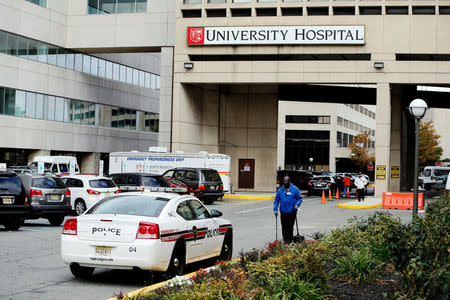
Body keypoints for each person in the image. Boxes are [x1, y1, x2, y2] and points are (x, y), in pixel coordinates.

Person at [274, 176, 302, 243]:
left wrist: (297, 205)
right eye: (284, 180)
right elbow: (276, 200)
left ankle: (289, 241)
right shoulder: (280, 190)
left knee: (290, 226)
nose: (285, 182)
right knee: (284, 227)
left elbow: (300, 198)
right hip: (283, 211)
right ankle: (285, 241)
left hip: (292, 211)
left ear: (289, 181)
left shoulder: (295, 189)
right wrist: (275, 209)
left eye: (287, 180)